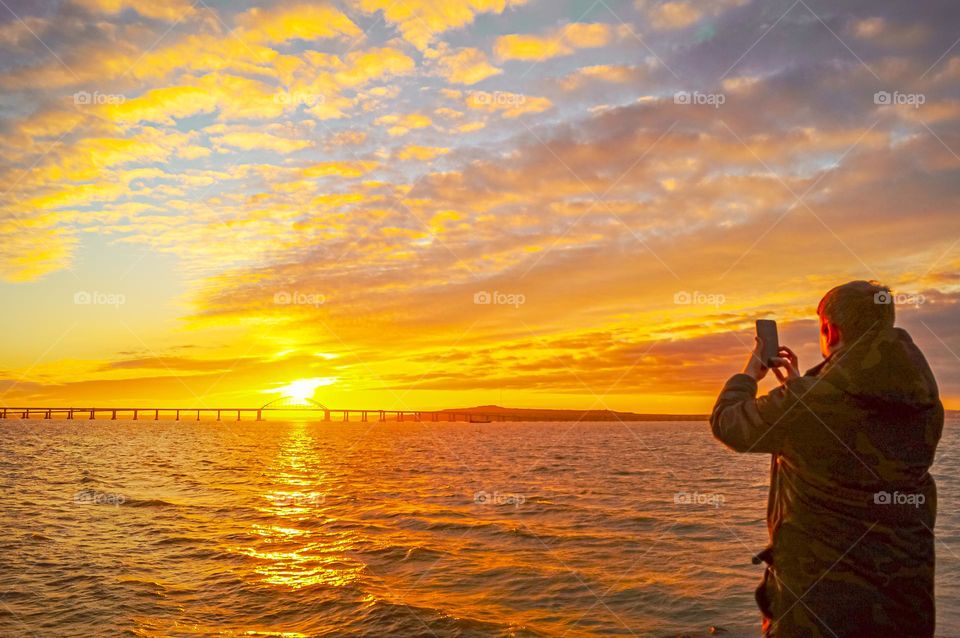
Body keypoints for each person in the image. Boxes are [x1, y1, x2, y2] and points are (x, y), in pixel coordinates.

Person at [710, 281, 942, 637]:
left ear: (829, 330)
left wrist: (748, 373)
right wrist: (805, 385)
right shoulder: (922, 401)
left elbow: (728, 423)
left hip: (820, 609)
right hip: (903, 603)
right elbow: (849, 438)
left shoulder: (810, 404)